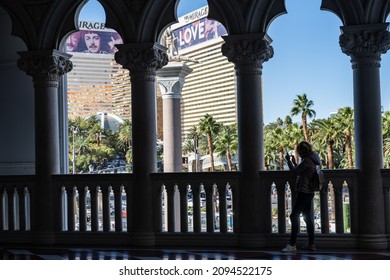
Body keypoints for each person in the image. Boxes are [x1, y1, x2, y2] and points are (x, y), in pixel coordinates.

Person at [281, 141, 321, 252]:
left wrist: (289, 161)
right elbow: (301, 171)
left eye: (299, 151)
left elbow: (295, 172)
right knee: (307, 217)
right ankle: (311, 244)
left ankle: (292, 244)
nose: (298, 153)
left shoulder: (307, 160)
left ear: (303, 151)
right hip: (309, 192)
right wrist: (295, 163)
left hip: (304, 191)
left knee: (294, 216)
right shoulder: (313, 158)